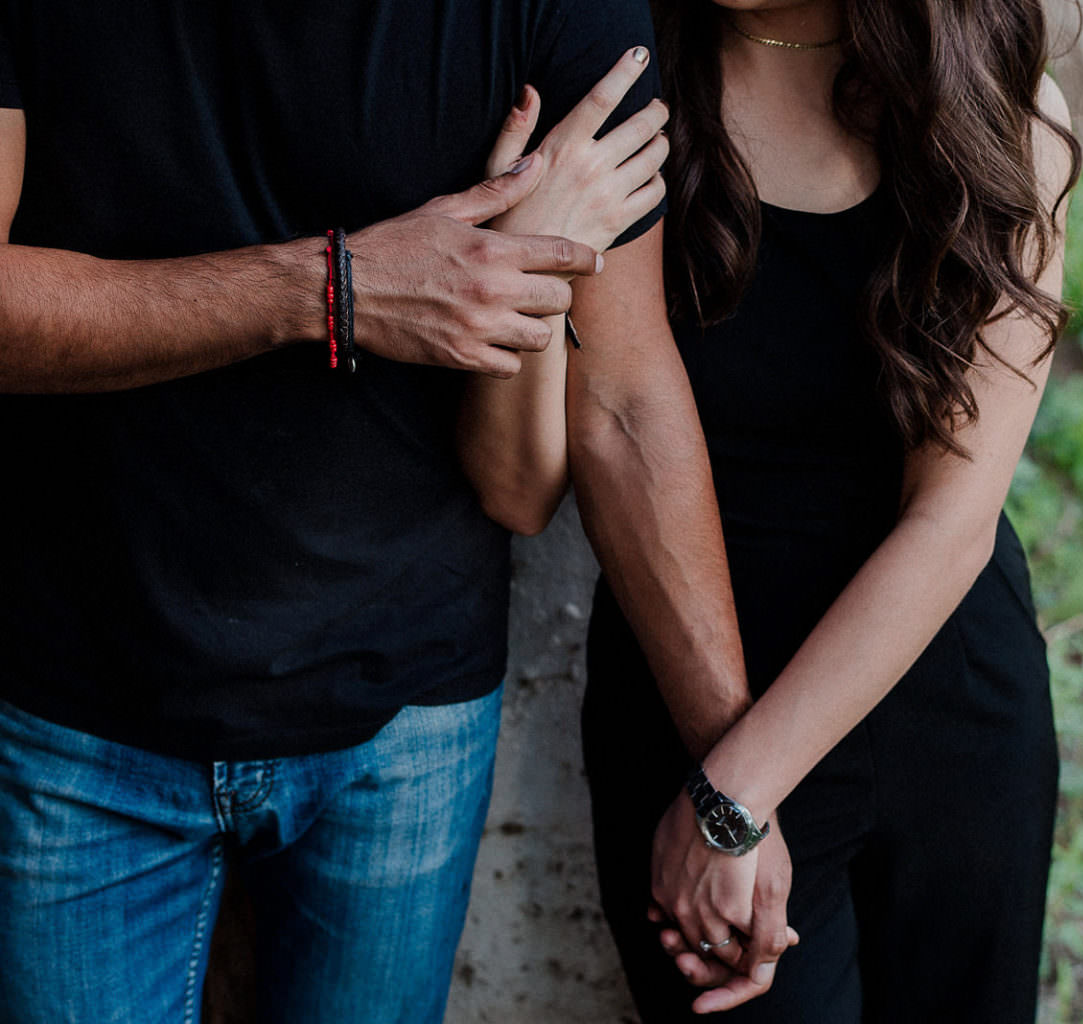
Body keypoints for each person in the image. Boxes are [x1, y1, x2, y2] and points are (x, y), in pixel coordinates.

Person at [0, 3, 776, 1022]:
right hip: (75, 709)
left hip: (406, 729)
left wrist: (736, 788)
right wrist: (332, 286)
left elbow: (622, 404)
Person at [464, 0, 1081, 1018]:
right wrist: (531, 252)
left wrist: (735, 794)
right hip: (686, 689)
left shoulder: (997, 111)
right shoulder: (623, 86)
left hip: (947, 706)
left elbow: (954, 517)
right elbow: (543, 469)